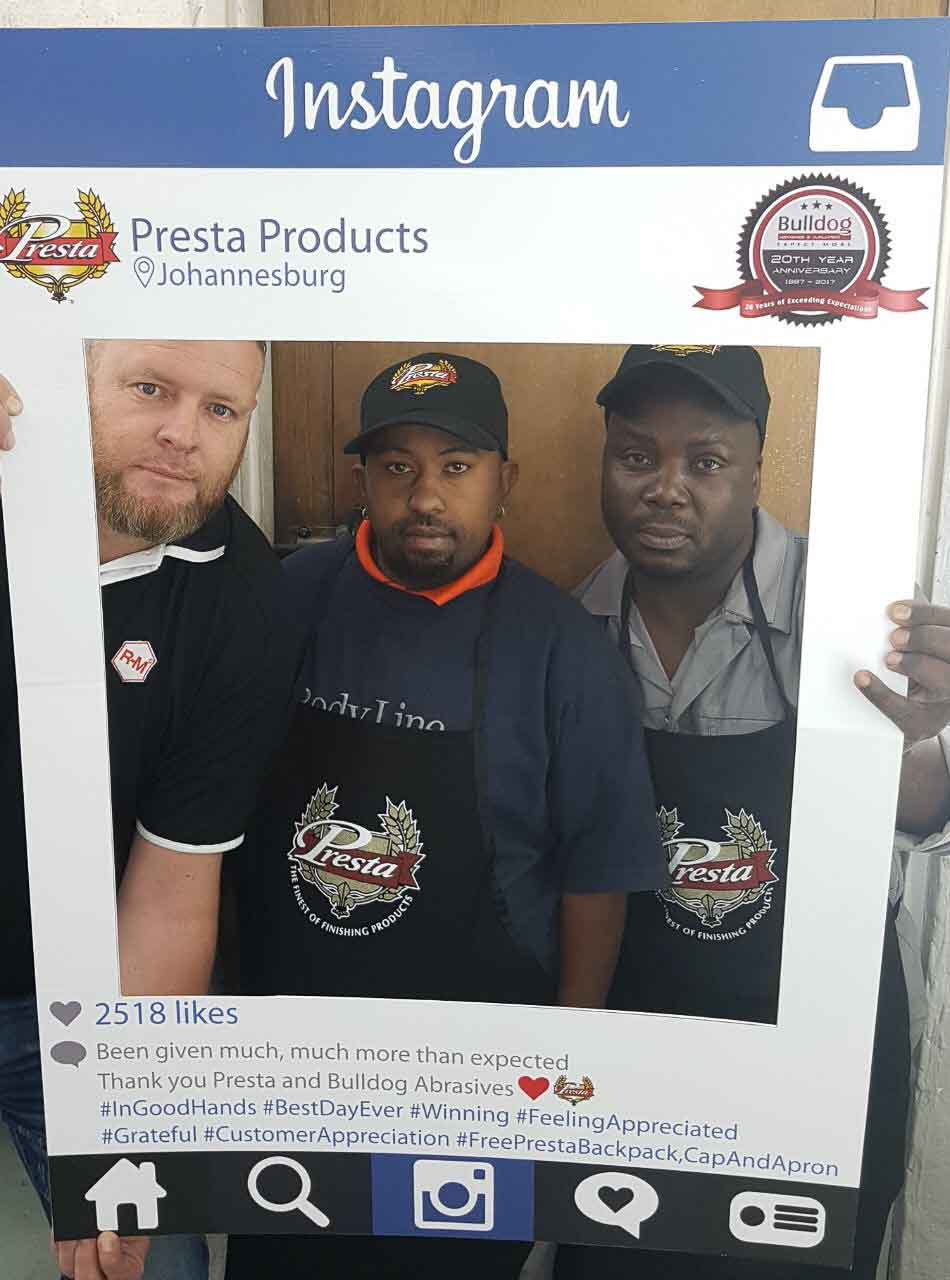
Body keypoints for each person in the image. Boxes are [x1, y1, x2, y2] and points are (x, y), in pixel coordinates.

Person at [224, 352, 664, 1280]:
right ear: (362, 481)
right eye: (398, 467)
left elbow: (597, 872)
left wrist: (569, 1062)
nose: (425, 497)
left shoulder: (563, 646)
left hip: (475, 1073)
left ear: (507, 480)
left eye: (457, 467)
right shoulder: (285, 595)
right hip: (292, 1060)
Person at [554, 344, 950, 1279]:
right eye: (637, 456)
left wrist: (921, 735)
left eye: (706, 460)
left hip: (816, 1061)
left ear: (758, 466)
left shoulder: (856, 619)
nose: (666, 488)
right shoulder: (566, 629)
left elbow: (917, 817)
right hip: (633, 1043)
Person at [0, 340, 296, 1280]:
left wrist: (125, 1129)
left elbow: (171, 890)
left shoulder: (243, 592)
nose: (183, 434)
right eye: (149, 389)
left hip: (60, 1004)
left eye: (221, 409)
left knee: (149, 1257)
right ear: (70, 381)